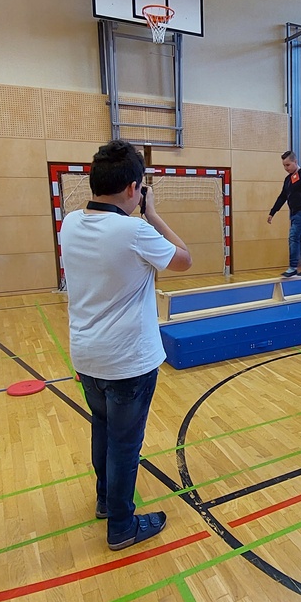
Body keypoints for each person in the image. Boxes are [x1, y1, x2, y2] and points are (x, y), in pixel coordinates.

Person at [60, 139, 191, 550]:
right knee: (125, 443)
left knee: (102, 429)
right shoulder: (135, 231)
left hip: (87, 356)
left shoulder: (69, 222)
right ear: (134, 188)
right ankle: (121, 525)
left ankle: (106, 501)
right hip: (128, 361)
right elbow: (184, 258)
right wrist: (152, 214)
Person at [267, 150, 301, 277]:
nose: (286, 168)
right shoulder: (288, 180)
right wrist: (272, 212)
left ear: (295, 162)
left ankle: (292, 267)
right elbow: (282, 197)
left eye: (288, 165)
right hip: (295, 213)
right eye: (284, 166)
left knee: (293, 236)